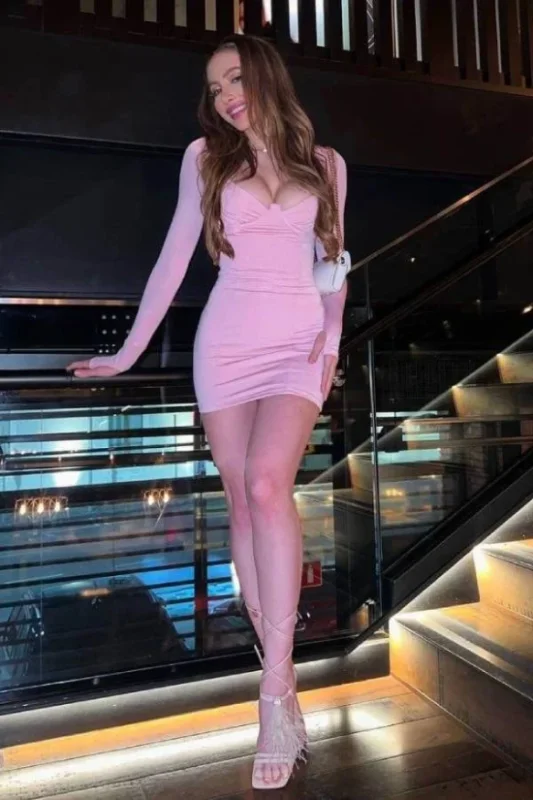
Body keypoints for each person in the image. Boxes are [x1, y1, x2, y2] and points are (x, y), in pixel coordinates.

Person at [67, 34, 347, 791]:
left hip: (295, 348)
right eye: (215, 86)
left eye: (235, 79)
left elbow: (332, 262)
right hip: (225, 346)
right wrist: (128, 352)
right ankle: (282, 681)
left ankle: (273, 693)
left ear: (265, 76)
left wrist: (329, 346)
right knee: (241, 501)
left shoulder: (325, 164)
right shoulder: (205, 159)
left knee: (267, 484)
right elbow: (172, 259)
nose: (225, 96)